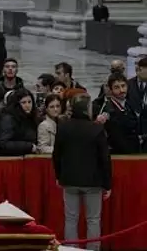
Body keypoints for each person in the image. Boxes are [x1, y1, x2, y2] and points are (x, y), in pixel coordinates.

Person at [53, 93, 112, 251]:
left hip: (69, 179)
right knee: (93, 220)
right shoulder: (96, 129)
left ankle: (71, 249)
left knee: (71, 219)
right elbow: (104, 159)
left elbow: (56, 154)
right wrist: (107, 184)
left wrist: (58, 176)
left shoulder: (63, 127)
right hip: (93, 182)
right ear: (87, 109)